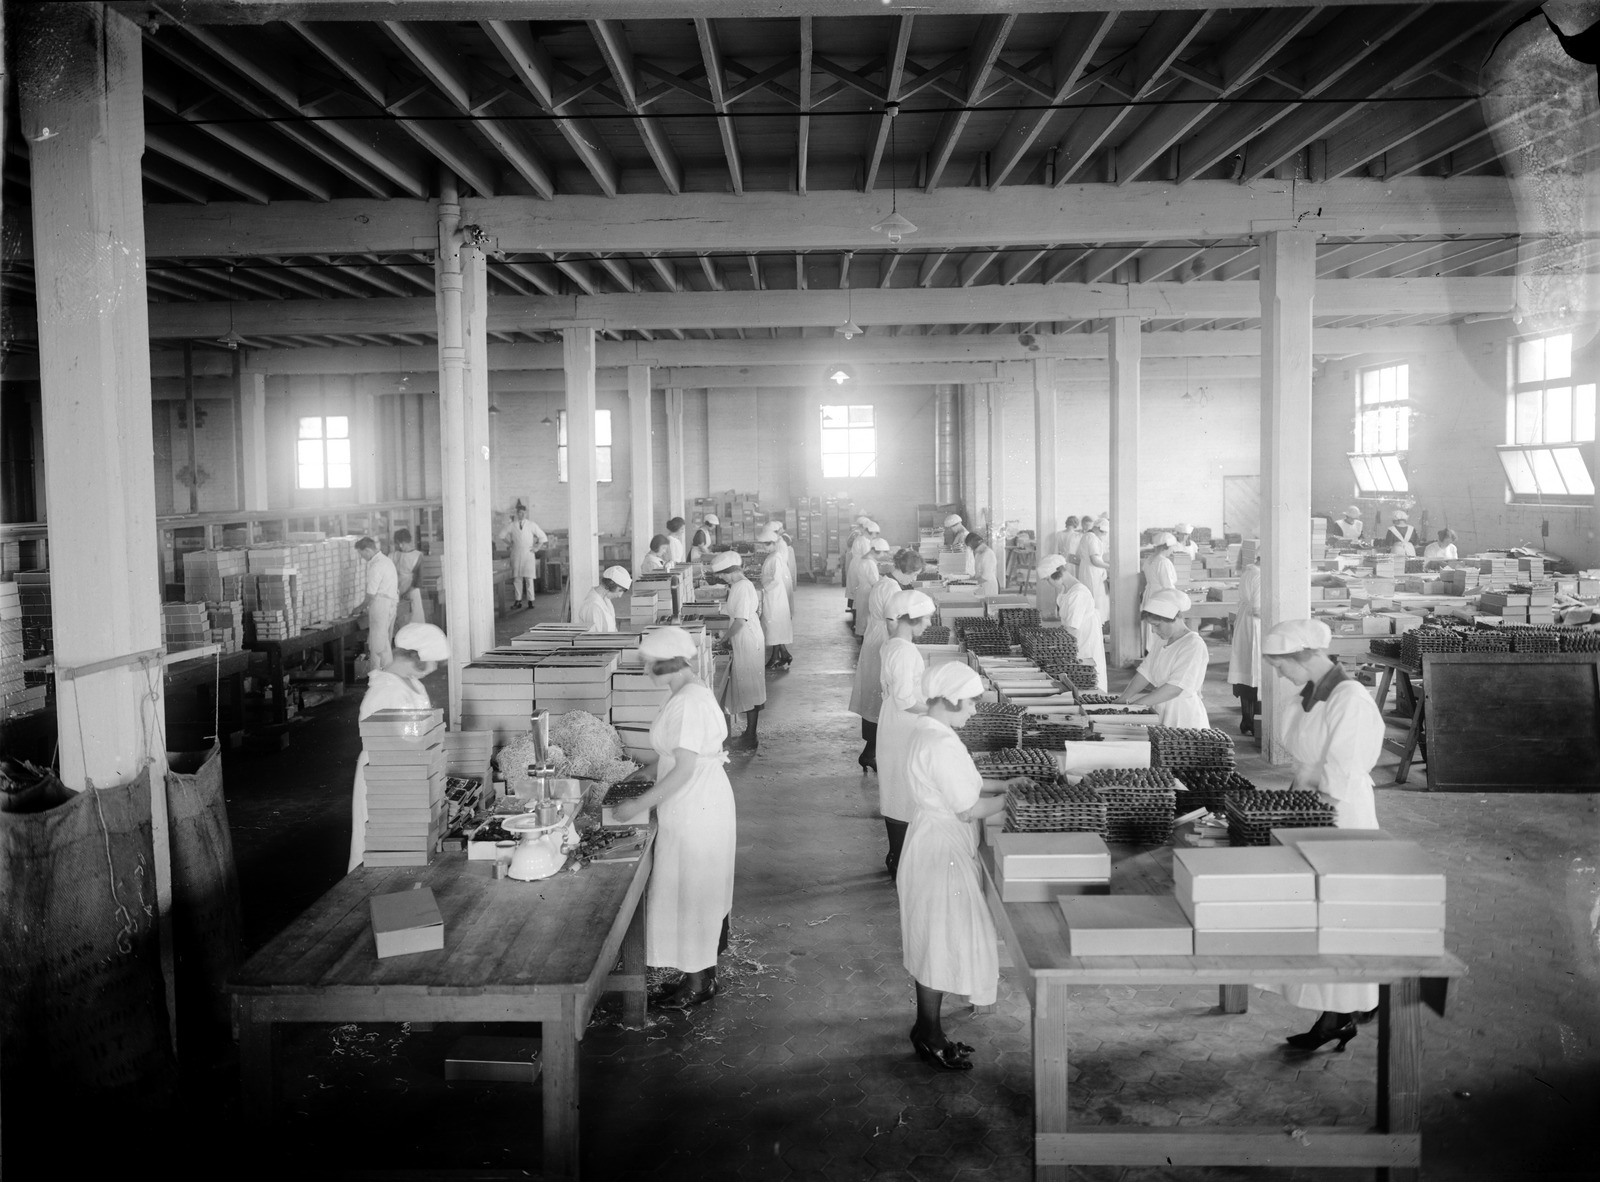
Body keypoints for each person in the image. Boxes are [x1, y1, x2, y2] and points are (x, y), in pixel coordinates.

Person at [1258, 618, 1384, 1051]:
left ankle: (1346, 1009)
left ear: (1304, 656)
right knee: (1315, 917)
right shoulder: (1307, 695)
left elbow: (1341, 772)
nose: (1280, 674)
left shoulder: (1350, 698)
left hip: (1340, 815)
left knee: (1337, 915)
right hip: (1310, 807)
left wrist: (1304, 822)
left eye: (1281, 665)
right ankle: (1336, 1012)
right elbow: (1306, 764)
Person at [608, 626, 736, 1010]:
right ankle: (696, 974)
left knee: (692, 892)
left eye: (650, 666)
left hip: (695, 805)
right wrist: (641, 774)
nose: (647, 673)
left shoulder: (689, 702)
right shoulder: (685, 693)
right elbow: (675, 756)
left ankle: (698, 985)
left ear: (669, 664)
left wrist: (634, 806)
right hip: (695, 801)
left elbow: (683, 770)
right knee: (691, 890)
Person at [898, 662, 1017, 1072]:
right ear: (950, 699)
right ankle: (930, 1036)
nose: (973, 712)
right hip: (942, 851)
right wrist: (1013, 800)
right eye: (969, 704)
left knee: (934, 938)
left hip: (930, 839)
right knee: (939, 941)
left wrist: (1004, 784)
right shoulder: (941, 742)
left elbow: (961, 780)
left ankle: (924, 1027)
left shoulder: (928, 730)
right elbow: (970, 808)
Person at [348, 622, 448, 872]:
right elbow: (391, 744)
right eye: (433, 661)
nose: (435, 667)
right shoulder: (386, 692)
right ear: (417, 657)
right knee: (381, 844)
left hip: (407, 771)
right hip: (384, 775)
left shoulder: (412, 683)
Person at [877, 588, 935, 877]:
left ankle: (896, 855)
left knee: (897, 790)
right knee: (901, 791)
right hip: (902, 723)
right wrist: (936, 710)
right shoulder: (904, 650)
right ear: (912, 618)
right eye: (925, 620)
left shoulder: (893, 644)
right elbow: (906, 700)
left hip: (895, 720)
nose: (928, 625)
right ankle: (898, 859)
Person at [850, 548, 923, 771]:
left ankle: (870, 752)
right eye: (915, 573)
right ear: (906, 570)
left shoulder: (884, 582)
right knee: (882, 699)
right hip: (883, 640)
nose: (915, 578)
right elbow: (893, 623)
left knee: (876, 698)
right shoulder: (892, 588)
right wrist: (902, 644)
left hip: (875, 638)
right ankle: (871, 753)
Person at [1122, 588, 1209, 727]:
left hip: (1182, 716)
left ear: (1173, 619)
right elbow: (1145, 672)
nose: (1153, 631)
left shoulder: (1193, 644)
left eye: (1156, 625)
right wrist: (1123, 699)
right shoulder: (1162, 640)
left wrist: (1137, 705)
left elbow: (1175, 688)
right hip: (1159, 705)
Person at [710, 551, 766, 750]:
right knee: (749, 685)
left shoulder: (742, 587)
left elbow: (740, 621)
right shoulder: (738, 585)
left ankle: (751, 736)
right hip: (744, 636)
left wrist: (724, 640)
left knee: (750, 686)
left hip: (747, 638)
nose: (722, 579)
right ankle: (750, 732)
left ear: (731, 571)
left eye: (723, 575)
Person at [1041, 555, 1106, 692]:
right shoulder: (1066, 590)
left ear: (1058, 575)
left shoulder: (1078, 594)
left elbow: (1072, 630)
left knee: (1084, 679)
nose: (1049, 583)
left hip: (1082, 640)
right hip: (1074, 639)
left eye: (1048, 579)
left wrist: (1052, 648)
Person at [1229, 549, 1262, 736]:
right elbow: (1258, 609)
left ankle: (1247, 720)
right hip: (1255, 626)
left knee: (1246, 672)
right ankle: (1254, 720)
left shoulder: (1248, 571)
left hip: (1244, 623)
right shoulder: (1259, 576)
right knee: (1255, 672)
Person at [355, 536, 398, 672]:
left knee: (377, 643)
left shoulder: (376, 566)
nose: (362, 558)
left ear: (367, 550)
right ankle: (388, 673)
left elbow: (371, 595)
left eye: (361, 554)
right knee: (383, 641)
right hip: (389, 603)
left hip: (381, 605)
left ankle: (377, 675)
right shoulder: (386, 561)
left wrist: (358, 608)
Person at [757, 525, 794, 671]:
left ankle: (776, 657)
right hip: (772, 595)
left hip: (774, 595)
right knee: (774, 627)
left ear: (773, 544)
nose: (764, 548)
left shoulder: (776, 557)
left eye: (767, 545)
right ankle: (783, 654)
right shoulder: (772, 556)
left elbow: (776, 580)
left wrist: (763, 586)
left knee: (773, 626)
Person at [500, 502, 547, 609]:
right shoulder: (512, 525)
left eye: (523, 513)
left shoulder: (531, 525)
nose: (521, 515)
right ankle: (518, 600)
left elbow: (543, 537)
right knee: (517, 578)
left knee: (529, 578)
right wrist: (510, 544)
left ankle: (531, 601)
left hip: (528, 554)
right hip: (516, 553)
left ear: (526, 513)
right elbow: (501, 535)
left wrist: (537, 548)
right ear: (517, 513)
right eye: (519, 513)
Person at [1140, 533, 1179, 655]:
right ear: (1166, 547)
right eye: (1172, 548)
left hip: (1151, 595)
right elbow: (1167, 585)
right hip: (1161, 597)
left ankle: (1152, 651)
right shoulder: (1164, 562)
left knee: (1153, 626)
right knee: (1161, 626)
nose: (1173, 551)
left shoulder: (1150, 560)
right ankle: (1159, 653)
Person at [574, 565, 632, 633]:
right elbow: (595, 639)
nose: (620, 596)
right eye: (620, 590)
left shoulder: (605, 599)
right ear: (611, 585)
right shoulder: (593, 606)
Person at [847, 536, 885, 630]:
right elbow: (874, 582)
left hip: (862, 590)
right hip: (866, 591)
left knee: (862, 616)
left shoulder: (866, 561)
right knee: (865, 617)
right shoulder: (870, 563)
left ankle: (861, 633)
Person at [1078, 517, 1111, 621]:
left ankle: (1095, 623)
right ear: (1096, 528)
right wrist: (1110, 566)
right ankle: (1097, 624)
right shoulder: (1091, 538)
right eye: (1102, 532)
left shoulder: (1088, 536)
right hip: (1092, 572)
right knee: (1096, 600)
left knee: (1093, 598)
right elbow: (1095, 560)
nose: (1103, 534)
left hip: (1088, 570)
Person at [392, 528, 425, 628]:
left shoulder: (418, 556)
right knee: (400, 623)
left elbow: (418, 580)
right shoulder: (396, 555)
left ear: (406, 542)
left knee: (414, 621)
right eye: (398, 544)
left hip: (412, 592)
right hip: (398, 592)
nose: (400, 546)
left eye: (402, 543)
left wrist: (407, 592)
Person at [967, 531, 999, 598]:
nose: (974, 550)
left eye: (974, 548)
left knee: (987, 606)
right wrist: (967, 581)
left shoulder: (988, 554)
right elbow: (977, 574)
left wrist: (969, 584)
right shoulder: (978, 554)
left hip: (989, 587)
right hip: (980, 587)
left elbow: (986, 577)